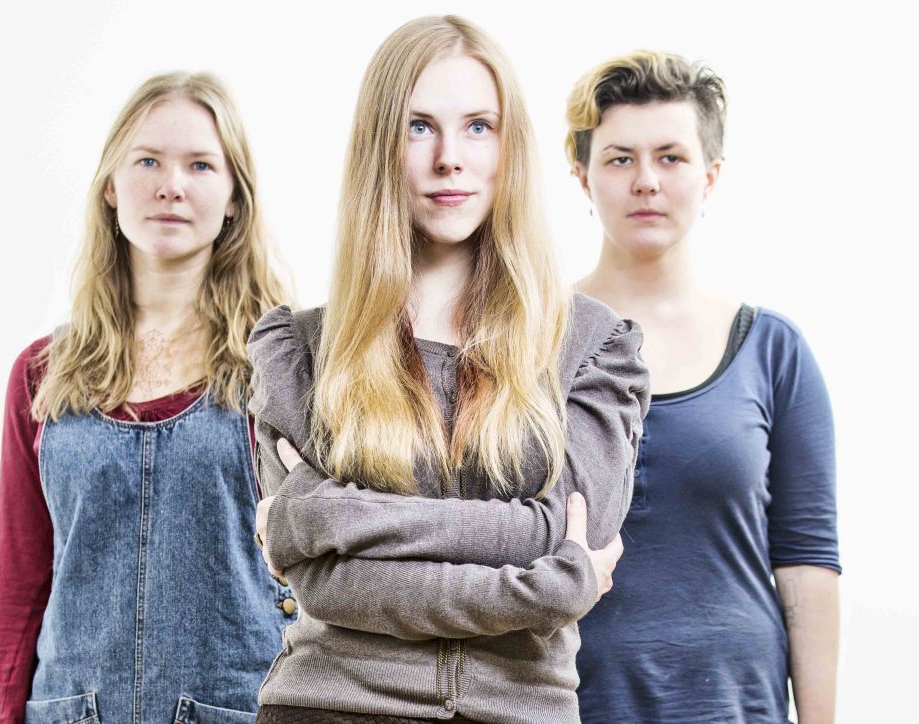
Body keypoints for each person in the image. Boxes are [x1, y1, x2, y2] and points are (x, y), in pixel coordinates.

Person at [246, 16, 649, 724]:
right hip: (327, 707)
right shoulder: (300, 350)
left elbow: (579, 546)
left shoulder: (593, 347)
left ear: (509, 147)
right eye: (419, 127)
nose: (450, 159)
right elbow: (326, 588)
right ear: (380, 146)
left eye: (478, 127)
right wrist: (542, 569)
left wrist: (330, 514)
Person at [0, 72, 294, 724]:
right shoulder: (41, 376)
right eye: (148, 160)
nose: (171, 185)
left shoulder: (280, 368)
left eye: (200, 165)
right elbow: (19, 584)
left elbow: (326, 575)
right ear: (110, 188)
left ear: (234, 199)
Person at [564, 51, 841, 723]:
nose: (646, 181)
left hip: (735, 706)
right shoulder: (526, 343)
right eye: (620, 159)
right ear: (582, 174)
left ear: (710, 175)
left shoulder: (773, 350)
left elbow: (807, 564)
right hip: (567, 703)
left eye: (671, 157)